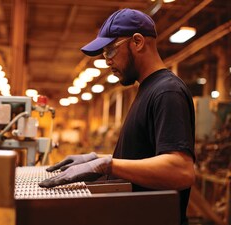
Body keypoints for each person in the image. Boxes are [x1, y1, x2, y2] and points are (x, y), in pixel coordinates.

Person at [39, 8, 195, 225]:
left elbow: (181, 170)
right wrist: (96, 159)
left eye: (110, 51)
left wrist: (108, 165)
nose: (107, 62)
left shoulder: (167, 92)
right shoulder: (147, 90)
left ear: (138, 42)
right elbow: (143, 157)